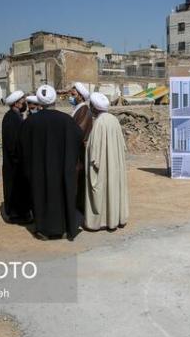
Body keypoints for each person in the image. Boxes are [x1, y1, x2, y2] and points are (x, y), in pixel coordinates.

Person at [19, 85, 83, 240]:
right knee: (62, 195)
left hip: (39, 169)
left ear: (40, 101)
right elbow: (78, 139)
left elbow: (23, 146)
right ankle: (64, 229)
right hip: (62, 168)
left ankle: (43, 230)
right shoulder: (67, 120)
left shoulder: (30, 121)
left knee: (41, 195)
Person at [84, 92, 129, 231]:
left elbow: (94, 154)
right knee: (114, 189)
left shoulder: (99, 123)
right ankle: (116, 218)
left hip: (103, 166)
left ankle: (101, 221)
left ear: (94, 107)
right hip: (114, 165)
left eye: (91, 105)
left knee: (102, 191)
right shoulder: (113, 119)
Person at [1, 90, 30, 224]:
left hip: (15, 162)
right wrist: (19, 160)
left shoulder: (15, 116)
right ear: (17, 103)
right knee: (15, 189)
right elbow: (13, 143)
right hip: (14, 163)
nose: (25, 103)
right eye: (23, 101)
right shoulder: (11, 118)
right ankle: (16, 215)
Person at [69, 82, 93, 213]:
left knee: (79, 180)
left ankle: (79, 207)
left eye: (73, 94)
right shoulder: (78, 109)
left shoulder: (84, 110)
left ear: (80, 96)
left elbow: (78, 132)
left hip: (79, 153)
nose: (71, 97)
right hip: (76, 152)